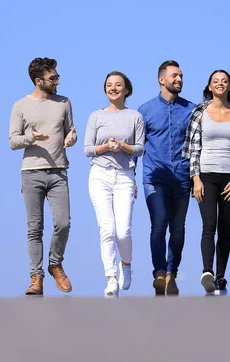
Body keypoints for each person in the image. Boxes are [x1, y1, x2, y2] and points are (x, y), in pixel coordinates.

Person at [182, 70, 230, 294]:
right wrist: (195, 178)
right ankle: (208, 272)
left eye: (224, 81)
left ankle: (221, 277)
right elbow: (191, 148)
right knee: (209, 224)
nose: (220, 84)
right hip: (205, 175)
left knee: (225, 227)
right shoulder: (200, 112)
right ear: (209, 86)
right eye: (216, 81)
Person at [8, 57, 77, 296]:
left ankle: (55, 263)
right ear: (39, 81)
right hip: (31, 172)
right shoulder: (20, 105)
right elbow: (12, 141)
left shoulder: (64, 102)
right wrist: (31, 138)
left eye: (57, 77)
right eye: (53, 78)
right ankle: (36, 277)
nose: (57, 81)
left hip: (59, 171)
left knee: (63, 223)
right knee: (34, 228)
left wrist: (71, 139)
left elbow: (71, 132)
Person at [136, 60, 196, 296]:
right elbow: (137, 147)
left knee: (178, 228)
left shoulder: (192, 109)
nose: (179, 79)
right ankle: (159, 272)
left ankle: (172, 273)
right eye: (174, 76)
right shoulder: (145, 111)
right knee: (159, 222)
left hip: (182, 177)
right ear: (162, 80)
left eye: (181, 76)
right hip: (155, 177)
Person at [84, 71, 145, 298]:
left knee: (123, 231)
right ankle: (110, 278)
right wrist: (107, 147)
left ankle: (126, 265)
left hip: (124, 175)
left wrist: (123, 146)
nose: (113, 88)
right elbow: (88, 149)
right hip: (100, 174)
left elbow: (140, 148)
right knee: (106, 228)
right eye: (109, 85)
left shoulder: (135, 116)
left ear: (126, 90)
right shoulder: (96, 116)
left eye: (118, 85)